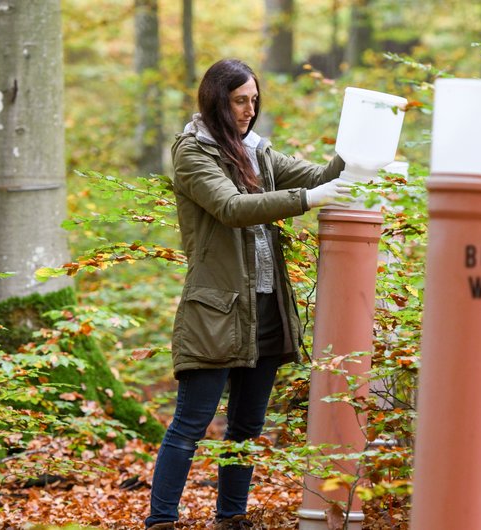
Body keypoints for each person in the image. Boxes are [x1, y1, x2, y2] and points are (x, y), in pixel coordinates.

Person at [145, 59, 351, 530]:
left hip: (267, 308)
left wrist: (358, 146)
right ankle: (161, 520)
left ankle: (232, 518)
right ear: (217, 100)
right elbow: (232, 207)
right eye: (240, 100)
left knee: (246, 429)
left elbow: (320, 177)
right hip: (216, 309)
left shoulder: (256, 152)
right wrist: (308, 201)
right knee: (190, 427)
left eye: (254, 100)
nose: (249, 110)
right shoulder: (192, 153)